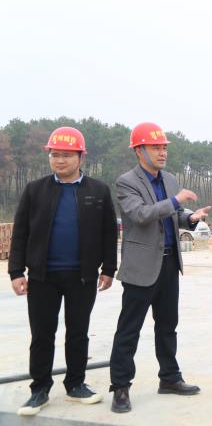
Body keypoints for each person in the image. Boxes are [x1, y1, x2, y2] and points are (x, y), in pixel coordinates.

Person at [8, 127, 117, 416]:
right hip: (42, 276)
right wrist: (16, 271)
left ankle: (75, 385)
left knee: (78, 332)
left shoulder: (98, 190)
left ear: (81, 157)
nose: (59, 160)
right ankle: (39, 389)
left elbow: (109, 232)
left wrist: (109, 268)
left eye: (66, 155)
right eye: (55, 155)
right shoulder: (35, 190)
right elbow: (20, 233)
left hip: (82, 276)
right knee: (42, 335)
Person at [109, 122, 210, 413]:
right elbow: (140, 214)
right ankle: (120, 387)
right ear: (139, 150)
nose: (162, 152)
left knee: (167, 326)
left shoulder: (170, 179)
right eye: (156, 147)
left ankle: (169, 378)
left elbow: (173, 215)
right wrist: (176, 201)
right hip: (141, 267)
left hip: (169, 263)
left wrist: (190, 218)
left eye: (164, 147)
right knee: (129, 329)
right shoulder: (127, 182)